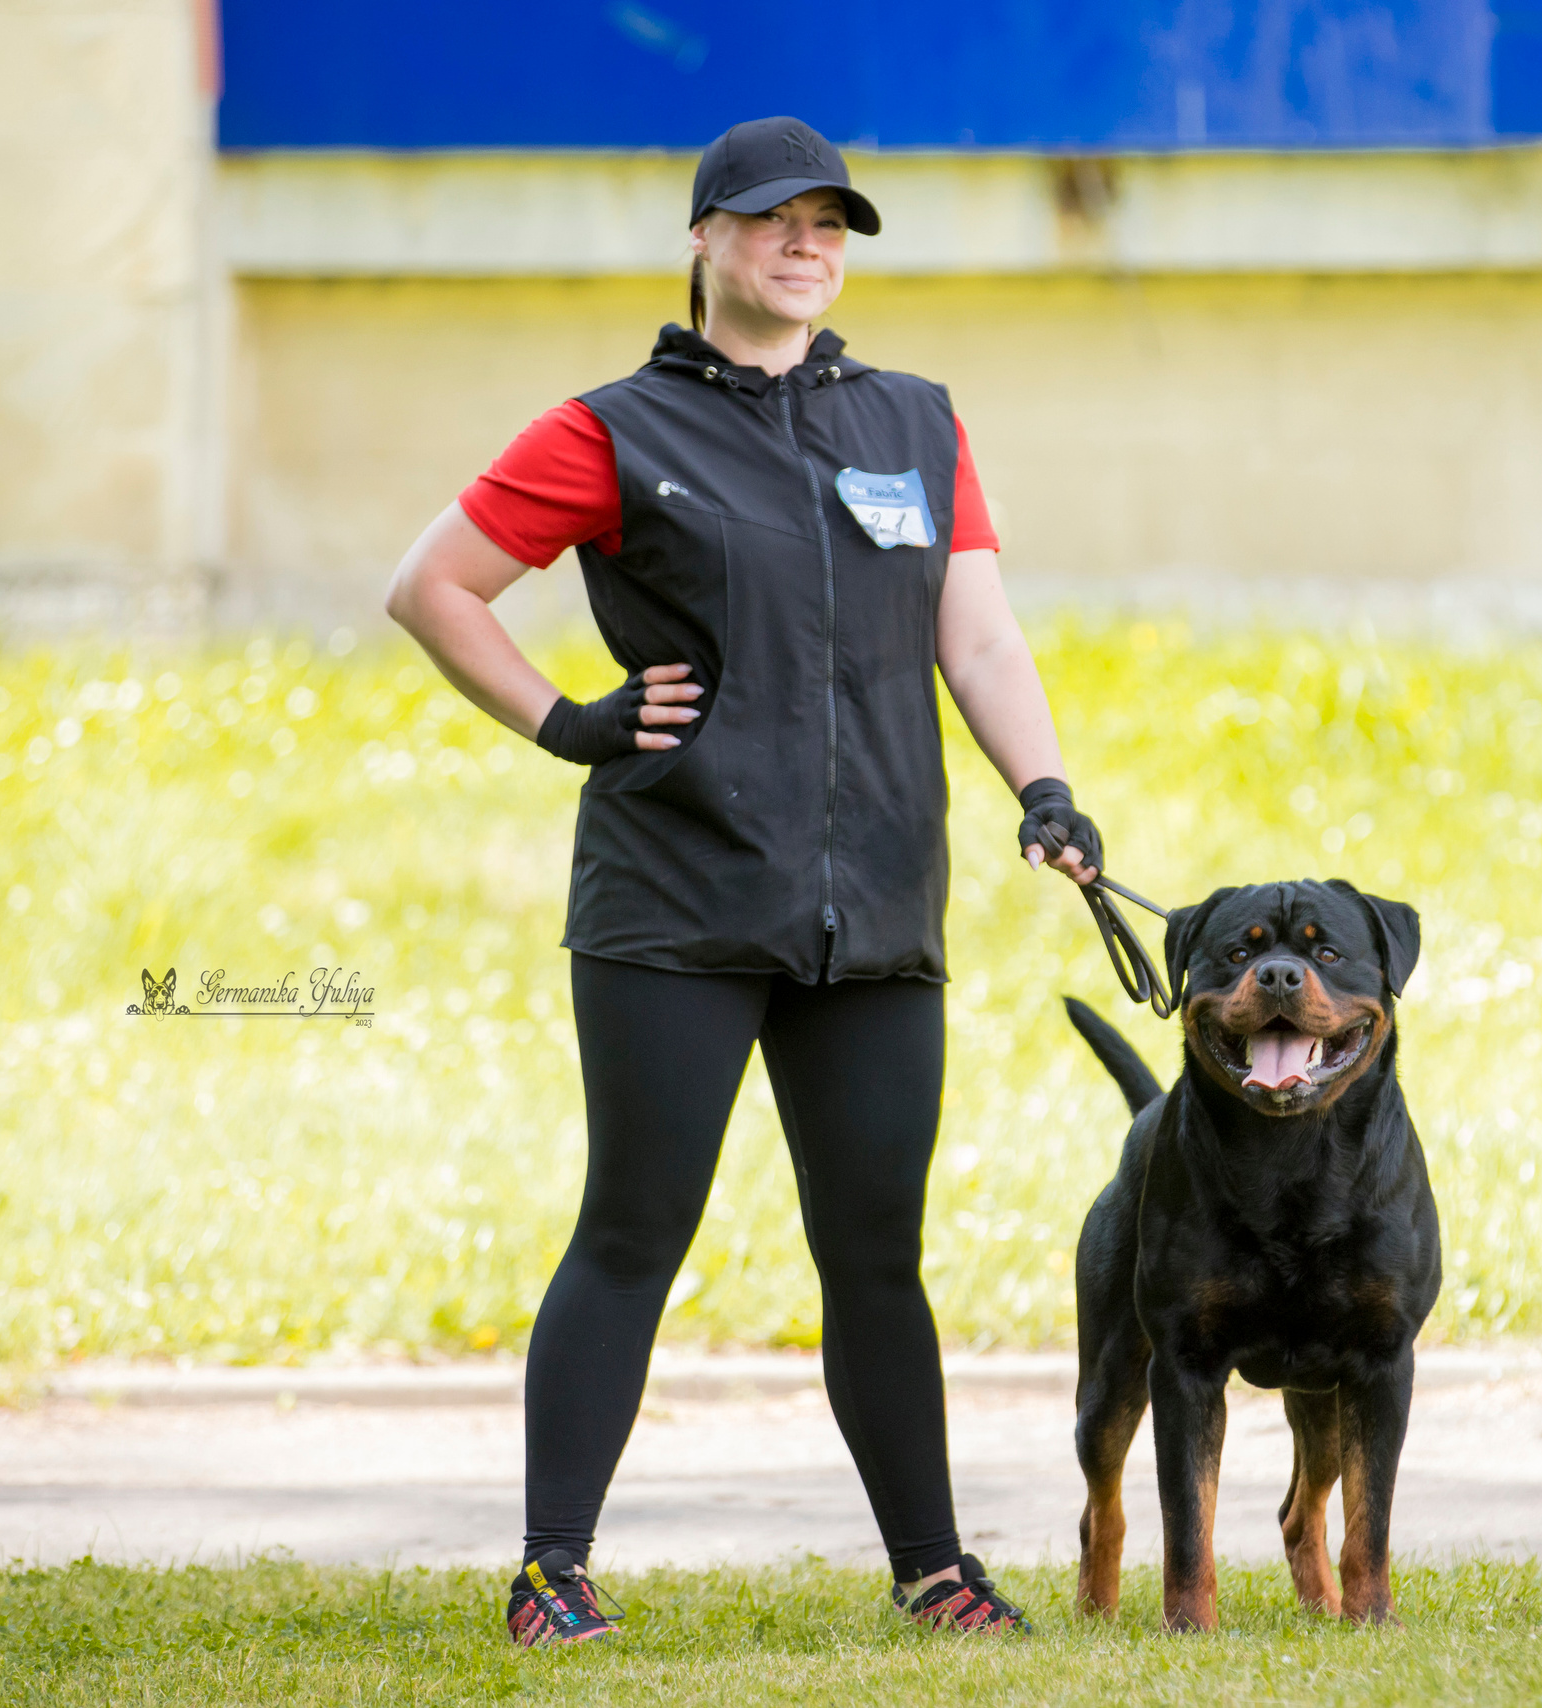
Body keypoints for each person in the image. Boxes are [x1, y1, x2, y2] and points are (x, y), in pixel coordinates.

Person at [384, 115, 1104, 1646]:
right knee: (635, 1231)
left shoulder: (915, 421)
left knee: (876, 1254)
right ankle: (550, 1571)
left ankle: (934, 1569)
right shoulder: (615, 429)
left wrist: (1043, 788)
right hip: (680, 902)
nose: (806, 245)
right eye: (775, 220)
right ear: (706, 238)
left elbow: (973, 636)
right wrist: (565, 722)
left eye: (831, 224)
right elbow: (432, 585)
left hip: (879, 910)